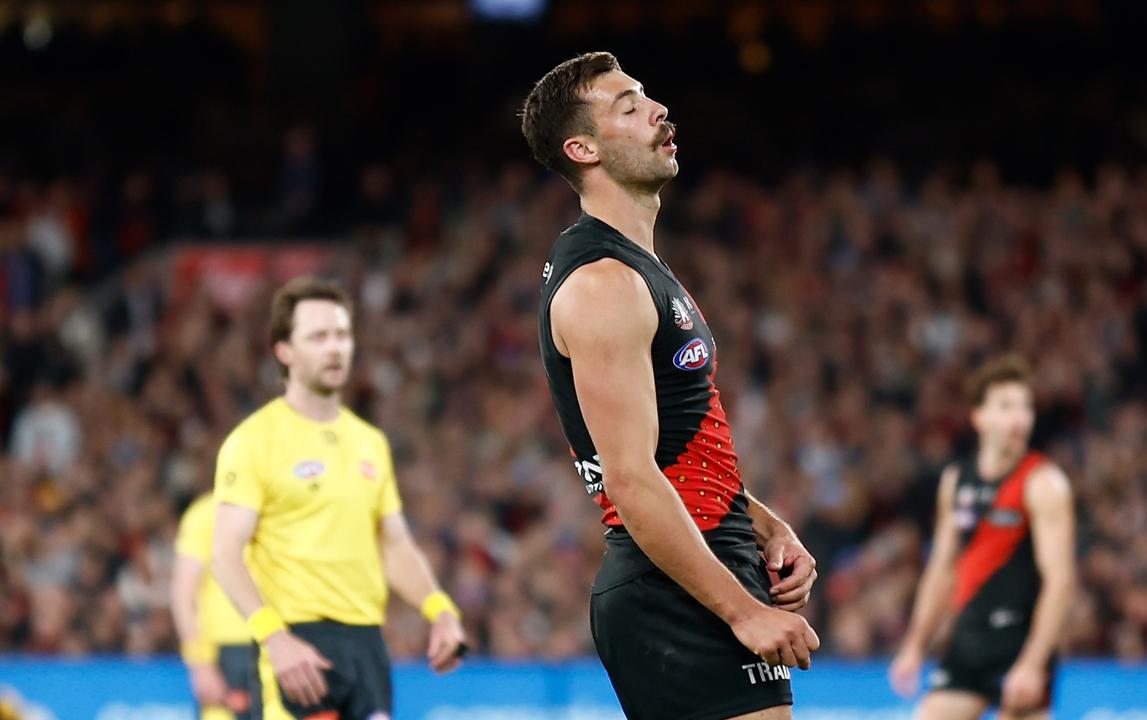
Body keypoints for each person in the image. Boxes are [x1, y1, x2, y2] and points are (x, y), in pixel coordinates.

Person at [520, 52, 820, 720]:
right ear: (582, 148)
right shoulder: (602, 283)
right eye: (627, 105)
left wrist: (765, 525)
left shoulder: (637, 269)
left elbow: (674, 451)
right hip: (672, 587)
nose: (657, 110)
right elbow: (628, 479)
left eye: (647, 96)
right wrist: (743, 612)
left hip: (701, 561)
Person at [209, 277, 466, 719]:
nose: (335, 348)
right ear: (284, 352)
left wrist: (439, 609)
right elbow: (225, 554)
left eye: (342, 335)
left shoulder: (370, 443)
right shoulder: (254, 441)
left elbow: (396, 545)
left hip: (367, 647)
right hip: (297, 646)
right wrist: (275, 638)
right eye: (318, 337)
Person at [889, 354, 1076, 719]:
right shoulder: (956, 482)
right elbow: (941, 569)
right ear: (979, 417)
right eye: (1006, 406)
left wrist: (1034, 664)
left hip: (1020, 645)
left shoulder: (1044, 484)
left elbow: (1060, 579)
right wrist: (915, 645)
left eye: (1026, 407)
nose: (1019, 417)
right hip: (969, 642)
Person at [172, 492, 256, 720]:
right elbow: (183, 593)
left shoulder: (279, 505)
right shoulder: (206, 512)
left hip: (280, 641)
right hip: (225, 650)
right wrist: (199, 660)